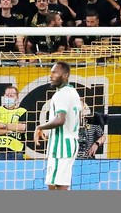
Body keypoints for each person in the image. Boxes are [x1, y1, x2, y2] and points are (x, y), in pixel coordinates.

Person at [30, 60, 84, 190]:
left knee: (58, 184)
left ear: (64, 75)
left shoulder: (62, 94)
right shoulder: (73, 92)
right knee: (54, 182)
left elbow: (60, 120)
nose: (51, 75)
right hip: (67, 142)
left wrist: (40, 127)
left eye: (55, 72)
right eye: (51, 72)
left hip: (61, 146)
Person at [0, 84, 31, 159]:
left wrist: (3, 126)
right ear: (4, 96)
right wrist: (9, 130)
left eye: (11, 96)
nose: (9, 97)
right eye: (7, 95)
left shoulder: (22, 111)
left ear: (17, 98)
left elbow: (23, 128)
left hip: (17, 150)